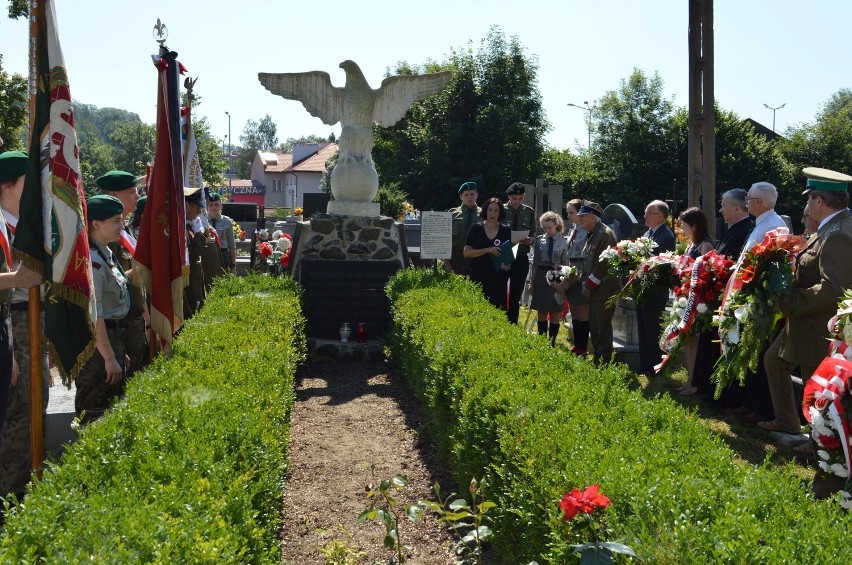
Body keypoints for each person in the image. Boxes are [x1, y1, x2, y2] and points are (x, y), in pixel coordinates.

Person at [759, 168, 852, 435]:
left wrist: (788, 301)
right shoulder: (832, 228)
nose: (807, 205)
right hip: (805, 321)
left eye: (809, 199)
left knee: (818, 389)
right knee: (774, 361)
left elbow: (834, 288)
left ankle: (818, 444)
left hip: (819, 327)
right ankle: (788, 422)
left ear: (819, 202)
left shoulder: (838, 233)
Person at [0, 151, 46, 495]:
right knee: (17, 419)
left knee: (36, 406)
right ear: (8, 185)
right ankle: (10, 499)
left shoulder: (21, 225)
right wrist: (16, 278)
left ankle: (24, 493)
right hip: (14, 323)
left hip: (30, 324)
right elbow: (17, 279)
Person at [724, 183, 789, 424]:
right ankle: (750, 402)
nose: (746, 202)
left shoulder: (775, 226)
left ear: (759, 202)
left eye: (749, 199)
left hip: (760, 301)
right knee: (751, 352)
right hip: (749, 299)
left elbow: (773, 269)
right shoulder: (763, 223)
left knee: (759, 354)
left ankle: (761, 408)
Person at [691, 188, 753, 398]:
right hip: (716, 295)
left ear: (736, 207)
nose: (720, 209)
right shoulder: (734, 228)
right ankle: (705, 387)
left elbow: (733, 264)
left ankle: (715, 392)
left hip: (727, 297)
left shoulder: (746, 230)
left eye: (724, 206)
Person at [76, 195, 131, 423]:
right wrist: (109, 357)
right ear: (96, 224)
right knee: (94, 411)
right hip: (98, 347)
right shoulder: (93, 262)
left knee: (111, 408)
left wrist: (117, 352)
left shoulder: (105, 254)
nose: (122, 226)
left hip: (113, 336)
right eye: (116, 221)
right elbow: (95, 314)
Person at [97, 170, 150, 379]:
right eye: (131, 192)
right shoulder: (108, 234)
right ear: (114, 195)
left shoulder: (124, 230)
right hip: (121, 321)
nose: (137, 196)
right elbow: (113, 280)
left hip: (135, 316)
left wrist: (145, 314)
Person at [675, 207, 715, 396]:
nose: (682, 229)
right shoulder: (691, 245)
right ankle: (690, 380)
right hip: (686, 298)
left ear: (694, 225)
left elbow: (708, 275)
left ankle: (695, 383)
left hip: (698, 302)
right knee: (688, 342)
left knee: (695, 343)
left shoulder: (705, 245)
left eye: (684, 225)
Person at [636, 200, 676, 375]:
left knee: (652, 329)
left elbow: (661, 263)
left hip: (655, 290)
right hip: (643, 287)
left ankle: (654, 365)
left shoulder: (666, 235)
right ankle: (645, 364)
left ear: (660, 216)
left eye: (648, 213)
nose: (644, 216)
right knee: (643, 328)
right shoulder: (649, 232)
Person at [579, 202, 619, 364]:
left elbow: (603, 264)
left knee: (602, 325)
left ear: (593, 218)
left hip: (604, 289)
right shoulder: (594, 232)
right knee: (594, 325)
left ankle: (604, 359)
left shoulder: (604, 234)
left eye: (583, 216)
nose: (580, 219)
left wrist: (589, 285)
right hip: (596, 288)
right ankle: (598, 356)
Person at [526, 211, 570, 346]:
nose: (547, 230)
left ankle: (552, 341)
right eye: (544, 227)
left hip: (557, 277)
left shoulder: (564, 241)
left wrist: (564, 284)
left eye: (549, 227)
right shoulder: (540, 240)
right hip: (541, 276)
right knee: (541, 310)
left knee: (555, 310)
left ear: (557, 225)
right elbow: (535, 263)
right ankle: (541, 339)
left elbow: (566, 264)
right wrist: (531, 283)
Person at [463, 197, 511, 313]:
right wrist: (488, 250)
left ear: (500, 213)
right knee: (477, 310)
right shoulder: (476, 228)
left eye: (496, 210)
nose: (492, 213)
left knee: (497, 311)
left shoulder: (506, 231)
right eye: (490, 210)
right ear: (485, 211)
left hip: (498, 278)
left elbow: (507, 255)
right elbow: (466, 253)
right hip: (478, 274)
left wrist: (507, 265)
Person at [502, 182, 535, 325]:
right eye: (514, 198)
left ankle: (513, 324)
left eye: (520, 198)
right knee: (501, 290)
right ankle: (500, 321)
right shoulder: (500, 209)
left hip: (521, 256)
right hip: (503, 256)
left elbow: (533, 234)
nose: (517, 201)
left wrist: (530, 240)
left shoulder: (529, 211)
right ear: (509, 197)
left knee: (516, 293)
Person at [564, 199, 590, 355]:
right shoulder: (572, 229)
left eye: (571, 212)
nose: (568, 215)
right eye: (567, 212)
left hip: (581, 272)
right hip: (570, 272)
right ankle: (577, 345)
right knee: (573, 309)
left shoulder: (586, 230)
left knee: (582, 311)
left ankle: (582, 347)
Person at [445, 181, 480, 276]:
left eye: (472, 194)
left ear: (476, 195)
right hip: (456, 258)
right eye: (466, 195)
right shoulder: (452, 214)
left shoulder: (484, 214)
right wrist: (447, 264)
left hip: (477, 257)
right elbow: (445, 239)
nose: (469, 197)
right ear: (461, 196)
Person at [184, 187, 208, 319]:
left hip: (193, 287)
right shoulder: (182, 228)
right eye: (196, 208)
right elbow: (193, 256)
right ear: (187, 206)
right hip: (187, 289)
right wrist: (198, 234)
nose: (198, 213)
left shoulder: (188, 226)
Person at [207, 192, 237, 276]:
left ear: (221, 206)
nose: (214, 207)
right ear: (207, 207)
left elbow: (231, 244)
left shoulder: (227, 221)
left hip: (223, 255)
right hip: (207, 255)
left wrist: (233, 264)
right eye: (211, 205)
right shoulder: (203, 221)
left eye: (216, 204)